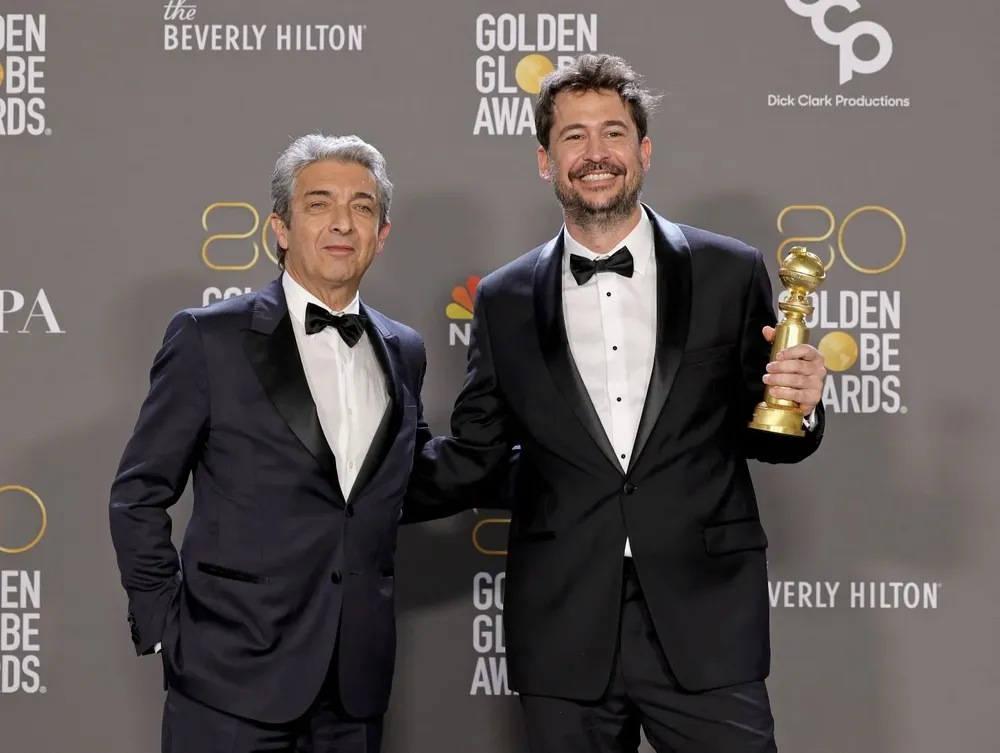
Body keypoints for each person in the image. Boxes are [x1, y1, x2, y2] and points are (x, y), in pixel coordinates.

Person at [406, 54, 828, 752]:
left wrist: (802, 405)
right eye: (573, 136)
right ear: (544, 159)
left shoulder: (731, 270)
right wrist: (355, 484)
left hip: (705, 616)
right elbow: (477, 453)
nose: (594, 154)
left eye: (613, 133)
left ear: (644, 150)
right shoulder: (505, 299)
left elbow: (771, 432)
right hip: (564, 620)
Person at [108, 133, 458, 753]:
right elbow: (138, 495)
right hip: (227, 679)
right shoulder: (209, 338)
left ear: (382, 234)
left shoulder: (404, 348)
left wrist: (541, 460)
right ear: (280, 228)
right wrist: (168, 627)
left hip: (354, 685)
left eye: (363, 207)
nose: (342, 223)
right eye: (319, 204)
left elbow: (408, 480)